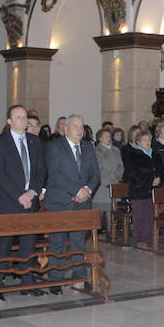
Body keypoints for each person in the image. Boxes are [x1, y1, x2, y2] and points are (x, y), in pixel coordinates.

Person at [0, 105, 47, 297]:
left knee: (28, 245)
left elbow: (40, 170)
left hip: (30, 201)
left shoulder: (34, 141)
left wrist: (33, 192)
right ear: (9, 121)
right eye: (19, 117)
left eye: (25, 117)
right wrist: (19, 195)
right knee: (3, 245)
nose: (24, 120)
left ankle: (27, 282)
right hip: (9, 202)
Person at [44, 114, 100, 291]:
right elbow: (55, 174)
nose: (79, 130)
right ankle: (56, 279)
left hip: (82, 203)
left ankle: (79, 277)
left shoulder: (88, 147)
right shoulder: (54, 146)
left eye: (81, 127)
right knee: (58, 242)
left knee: (78, 242)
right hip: (60, 201)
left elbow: (95, 174)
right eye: (75, 126)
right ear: (66, 129)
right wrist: (77, 190)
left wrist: (87, 190)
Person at [122, 128, 164, 245]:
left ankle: (148, 237)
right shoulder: (134, 155)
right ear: (138, 142)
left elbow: (161, 170)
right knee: (140, 215)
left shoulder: (155, 155)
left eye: (149, 140)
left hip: (153, 191)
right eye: (144, 140)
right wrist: (150, 181)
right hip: (138, 190)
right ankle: (139, 239)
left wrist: (159, 179)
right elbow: (133, 174)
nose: (147, 142)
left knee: (150, 215)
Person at [93, 127, 123, 233]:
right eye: (106, 136)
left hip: (114, 182)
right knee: (100, 208)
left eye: (109, 136)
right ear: (100, 138)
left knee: (111, 208)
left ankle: (111, 232)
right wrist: (111, 175)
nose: (108, 138)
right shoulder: (97, 150)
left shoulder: (116, 150)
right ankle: (95, 231)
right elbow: (99, 167)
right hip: (103, 183)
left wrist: (118, 176)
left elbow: (120, 165)